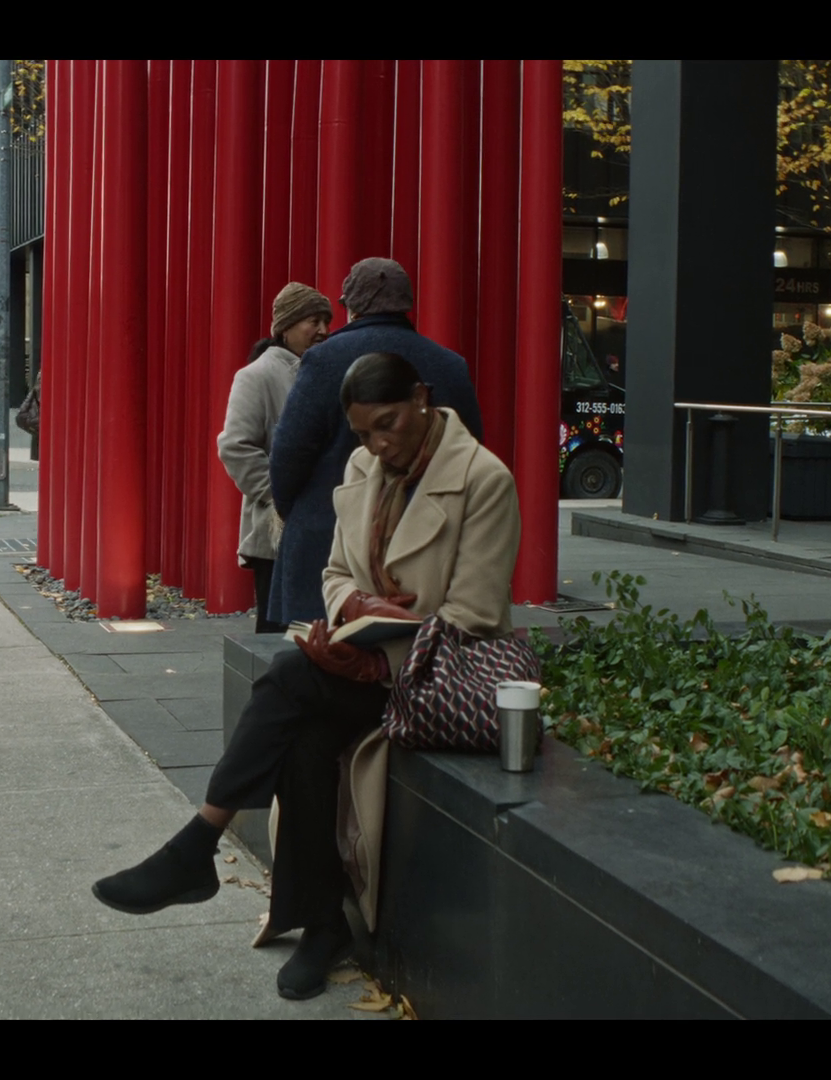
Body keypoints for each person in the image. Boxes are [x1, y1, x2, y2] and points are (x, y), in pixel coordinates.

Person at [94, 352, 519, 1001]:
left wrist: (378, 660)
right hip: (367, 667)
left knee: (291, 678)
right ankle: (321, 925)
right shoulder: (363, 468)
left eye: (388, 423)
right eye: (364, 433)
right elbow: (335, 573)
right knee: (305, 739)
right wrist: (355, 608)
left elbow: (476, 614)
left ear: (421, 397)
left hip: (435, 679)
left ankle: (199, 845)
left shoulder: (484, 480)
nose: (378, 444)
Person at [267, 257, 485, 628]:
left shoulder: (323, 360)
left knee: (321, 652)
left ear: (352, 308)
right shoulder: (450, 365)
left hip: (327, 538)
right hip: (428, 540)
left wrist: (297, 512)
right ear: (406, 304)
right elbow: (471, 447)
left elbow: (289, 454)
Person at [218, 282, 332, 635]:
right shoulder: (257, 375)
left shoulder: (323, 371)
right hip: (275, 533)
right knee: (277, 637)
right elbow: (235, 446)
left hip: (322, 528)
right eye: (313, 321)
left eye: (326, 321)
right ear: (285, 327)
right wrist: (280, 495)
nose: (323, 330)